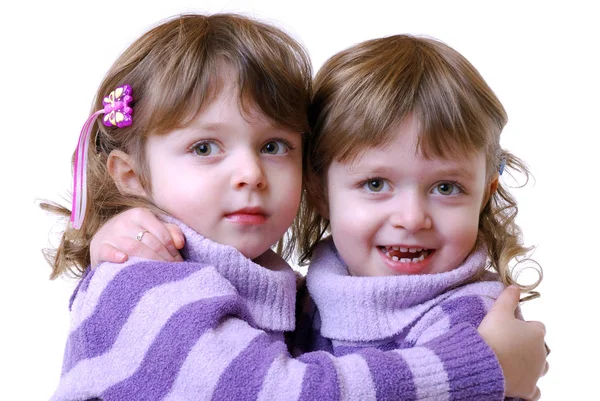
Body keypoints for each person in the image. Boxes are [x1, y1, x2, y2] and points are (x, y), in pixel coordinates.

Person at [52, 14, 548, 400]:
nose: (250, 173)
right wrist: (483, 366)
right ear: (132, 176)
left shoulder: (295, 298)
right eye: (205, 148)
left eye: (274, 146)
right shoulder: (140, 281)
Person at [292, 34, 548, 400]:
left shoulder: (473, 320)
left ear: (484, 196)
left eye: (446, 188)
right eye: (376, 183)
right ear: (319, 192)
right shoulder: (306, 297)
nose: (412, 219)